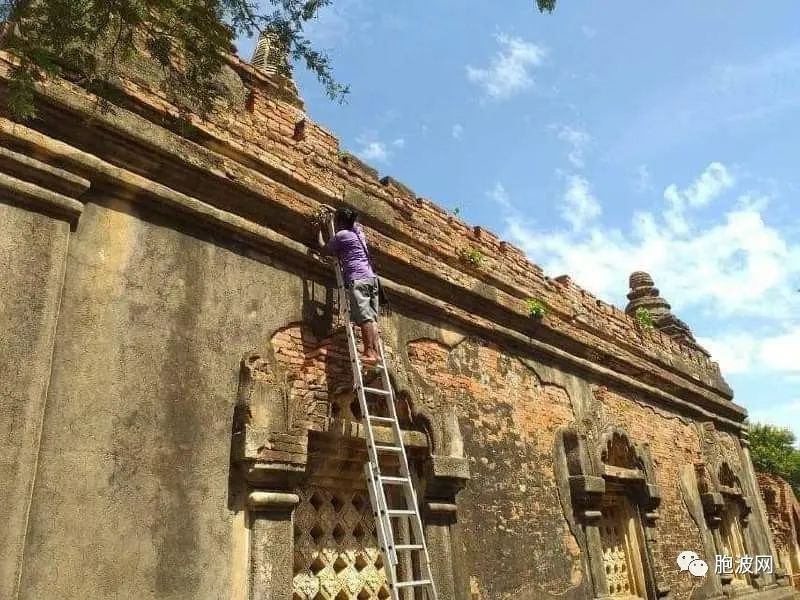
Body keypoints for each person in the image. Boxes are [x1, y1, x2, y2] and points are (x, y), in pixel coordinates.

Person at [315, 207, 381, 365]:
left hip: (358, 278)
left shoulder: (342, 235)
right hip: (372, 279)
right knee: (372, 318)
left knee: (365, 318)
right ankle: (376, 353)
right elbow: (355, 222)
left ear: (340, 222)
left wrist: (318, 231)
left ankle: (370, 352)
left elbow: (324, 249)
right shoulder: (359, 233)